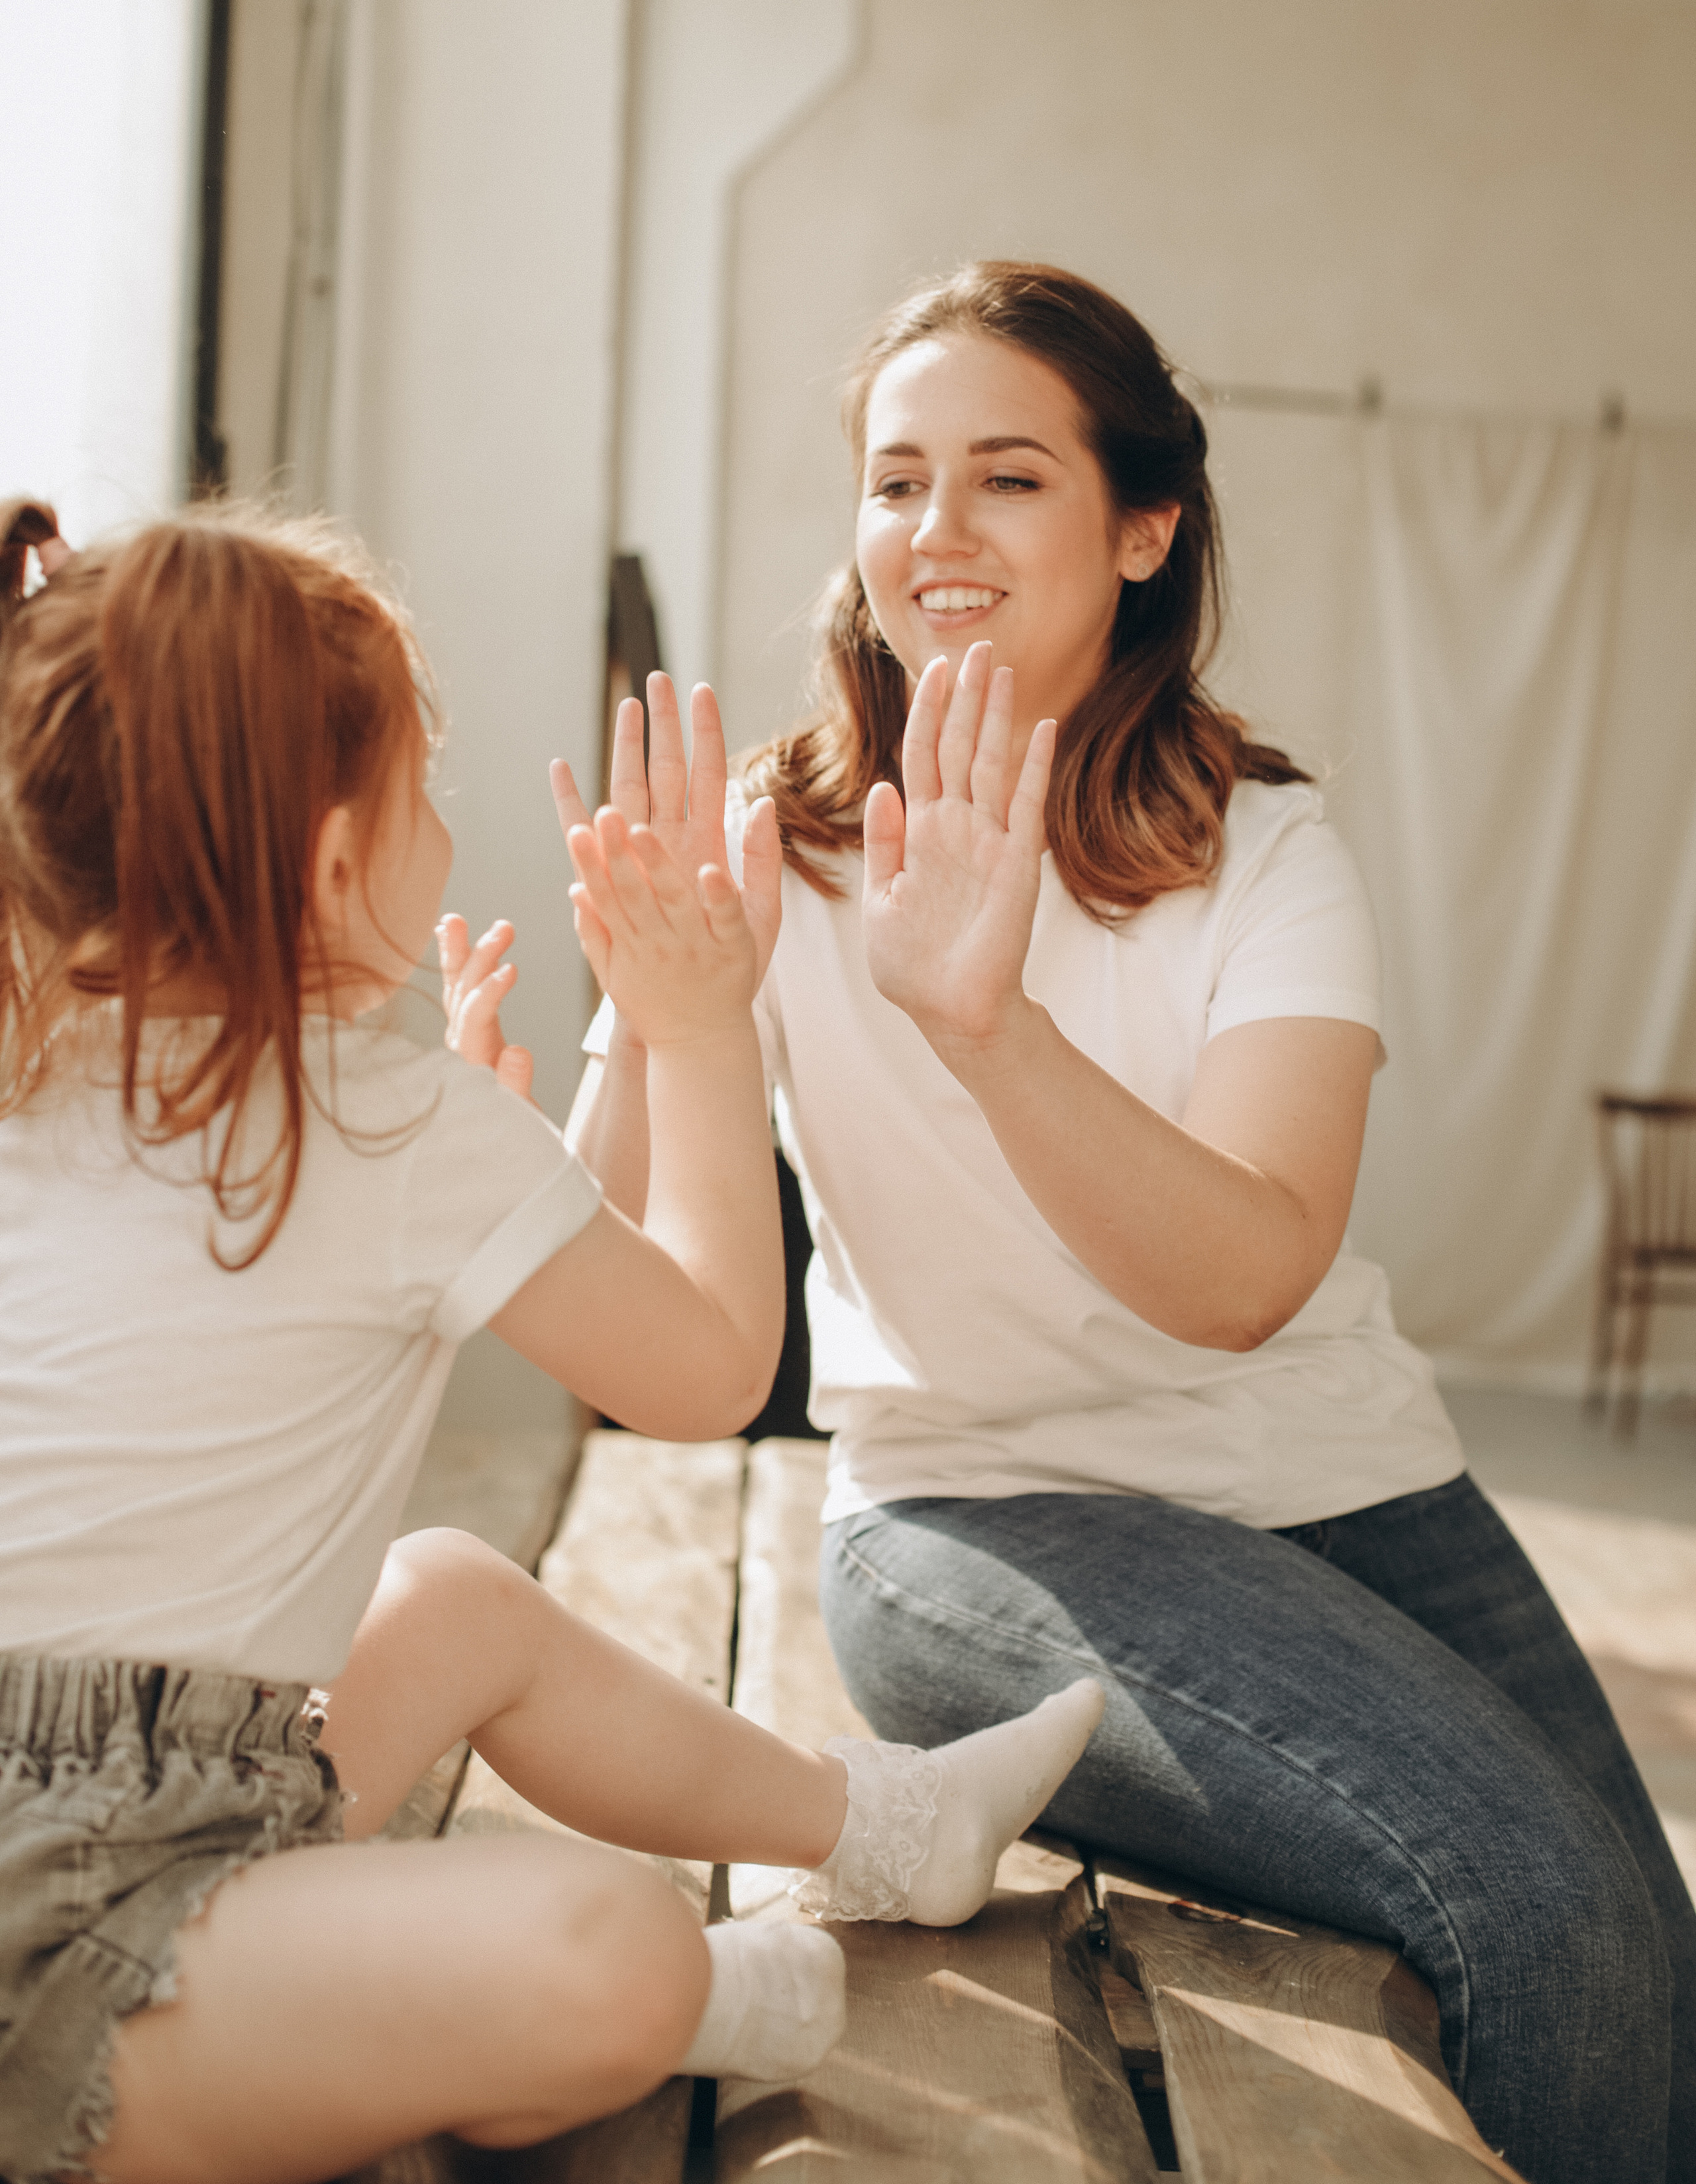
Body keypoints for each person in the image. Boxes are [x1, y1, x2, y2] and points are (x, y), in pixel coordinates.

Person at [567, 262, 1696, 2184]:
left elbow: (1250, 1277)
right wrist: (673, 1018)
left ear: (1145, 526)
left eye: (1008, 479)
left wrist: (985, 1026)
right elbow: (596, 1267)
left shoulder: (1267, 850)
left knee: (1642, 1963)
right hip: (979, 1518)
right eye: (896, 477)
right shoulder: (783, 832)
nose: (935, 531)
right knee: (1532, 1905)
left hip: (1354, 1491)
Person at [0, 499, 1106, 2184]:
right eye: (422, 791)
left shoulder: (67, 1067)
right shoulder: (377, 1122)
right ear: (333, 865)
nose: (444, 827)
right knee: (611, 1946)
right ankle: (685, 2003)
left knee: (449, 1593)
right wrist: (696, 1028)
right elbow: (709, 1363)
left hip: (168, 1780)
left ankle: (898, 1827)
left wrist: (551, 1106)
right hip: (63, 1953)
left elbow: (547, 1285)